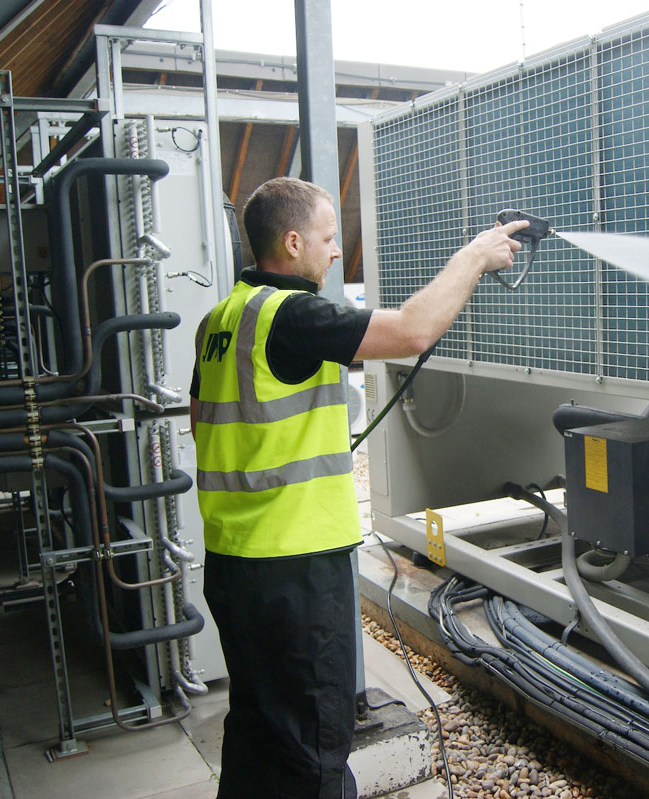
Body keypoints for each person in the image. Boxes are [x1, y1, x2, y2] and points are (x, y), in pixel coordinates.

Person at [189, 176, 526, 799]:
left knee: (258, 730)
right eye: (326, 237)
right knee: (315, 749)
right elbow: (411, 332)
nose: (336, 250)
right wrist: (476, 256)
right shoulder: (290, 315)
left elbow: (201, 420)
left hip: (233, 565)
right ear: (292, 242)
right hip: (295, 568)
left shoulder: (221, 318)